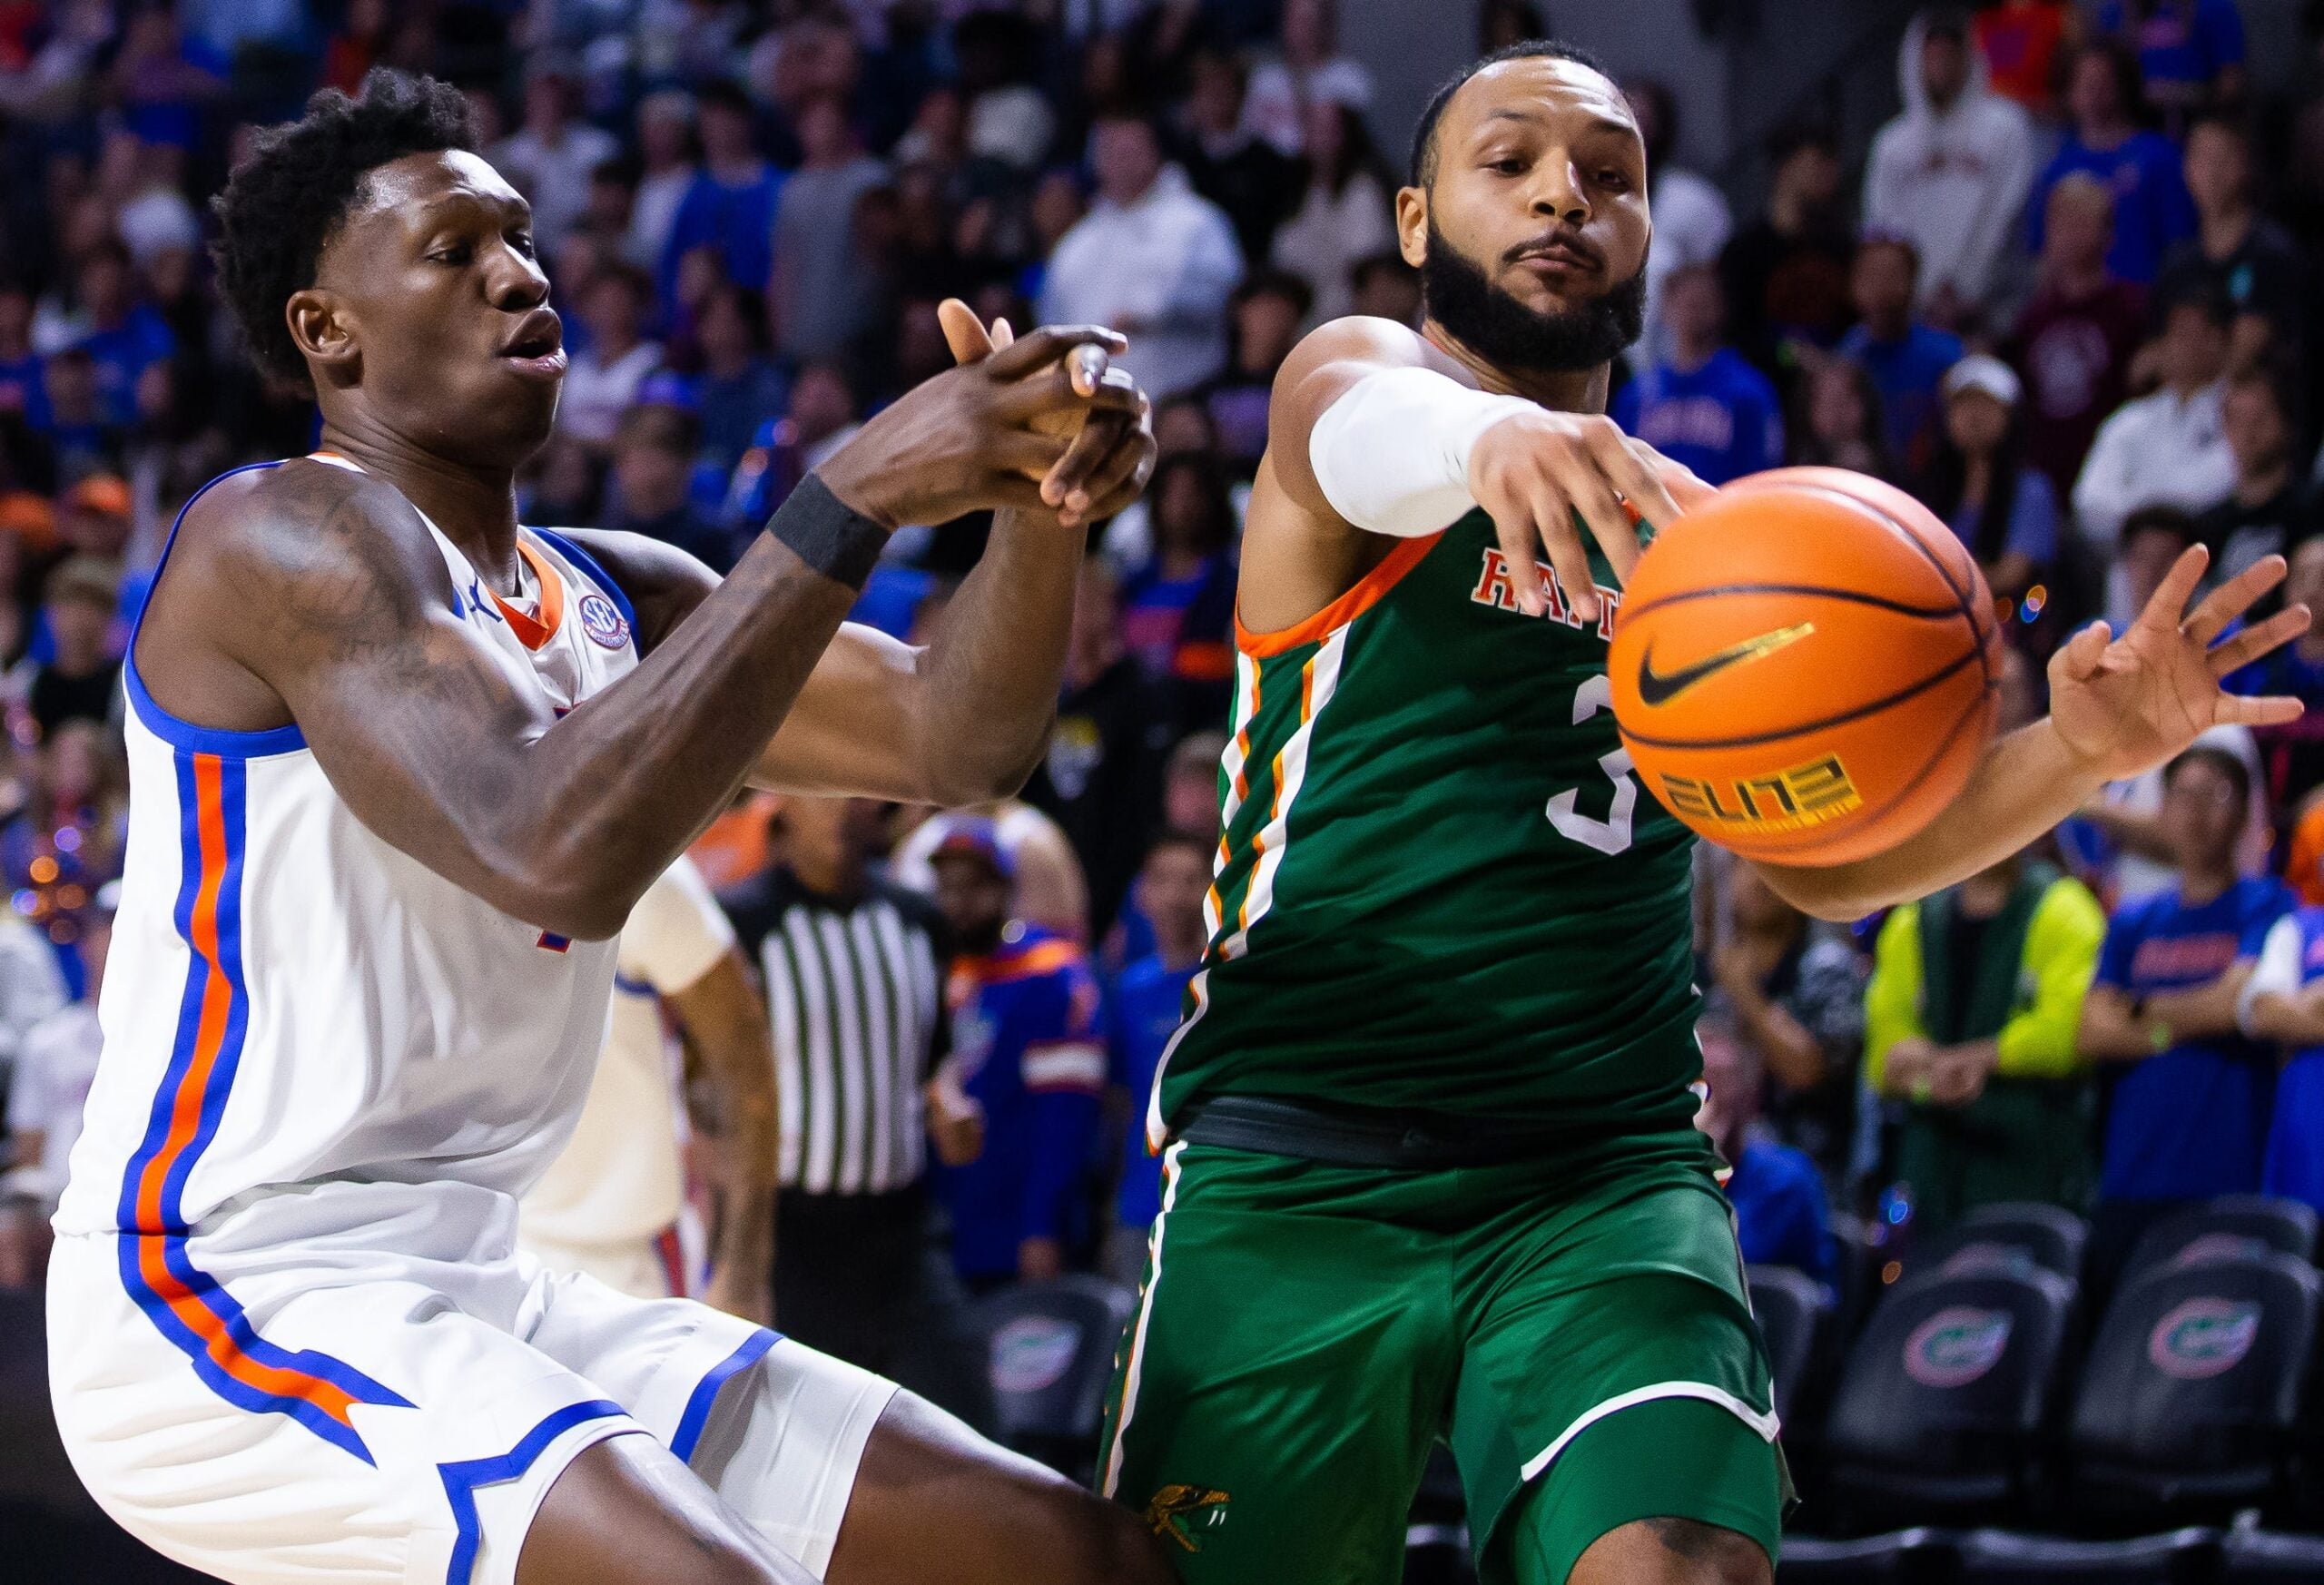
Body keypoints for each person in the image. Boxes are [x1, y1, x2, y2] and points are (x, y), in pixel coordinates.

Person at [1098, 38, 2309, 1585]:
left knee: (1678, 1566)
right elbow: (1353, 419)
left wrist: (2074, 750)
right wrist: (1493, 437)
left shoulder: (1712, 542)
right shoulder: (1360, 398)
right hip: (1295, 1155)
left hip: (1597, 1168)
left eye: (1610, 177)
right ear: (1415, 223)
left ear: (1653, 233)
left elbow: (1833, 868)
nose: (1563, 195)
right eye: (1513, 162)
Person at [44, 69, 1167, 1585]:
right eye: (453, 251)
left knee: (1067, 1552)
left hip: (485, 1274)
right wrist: (844, 499)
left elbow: (954, 741)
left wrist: (1046, 497)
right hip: (224, 1286)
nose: (519, 271)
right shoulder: (281, 534)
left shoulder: (615, 594)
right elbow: (548, 845)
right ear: (329, 332)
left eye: (521, 237)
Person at [723, 795, 990, 1431]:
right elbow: (708, 1078)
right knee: (805, 1443)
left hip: (902, 1230)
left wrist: (946, 1104)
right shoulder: (742, 920)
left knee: (970, 1422)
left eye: (855, 791)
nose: (841, 809)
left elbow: (932, 1058)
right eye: (823, 791)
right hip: (791, 1234)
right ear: (784, 803)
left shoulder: (919, 919)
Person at [1866, 655, 2106, 1233]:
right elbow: (1882, 1052)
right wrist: (1928, 1072)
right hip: (1930, 1181)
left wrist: (1978, 1059)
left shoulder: (2064, 907)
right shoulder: (1913, 919)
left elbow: (2073, 1031)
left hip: (2030, 1179)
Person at [517, 858, 773, 1321]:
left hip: (632, 1257)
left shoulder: (649, 873)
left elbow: (744, 1064)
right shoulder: (445, 857)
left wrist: (743, 1271)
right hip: (500, 1243)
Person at [2077, 746, 2293, 1294]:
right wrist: (2186, 1018)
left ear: (2245, 814)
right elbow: (2091, 1030)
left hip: (2229, 1171)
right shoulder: (2133, 921)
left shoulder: (2267, 905)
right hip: (2132, 1175)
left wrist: (2143, 1010)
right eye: (2182, 795)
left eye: (2216, 796)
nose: (2196, 812)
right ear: (2163, 809)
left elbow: (2240, 1003)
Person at [928, 820, 1106, 1291]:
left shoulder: (1051, 974)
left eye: (972, 888)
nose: (957, 904)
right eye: (946, 889)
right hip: (954, 1229)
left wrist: (1041, 1227)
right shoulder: (951, 973)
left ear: (1005, 887)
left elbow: (1065, 1118)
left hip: (1026, 1238)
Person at [1040, 111, 1246, 400]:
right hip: (1094, 408)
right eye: (1109, 151)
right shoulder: (1077, 242)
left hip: (1181, 403)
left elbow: (1225, 294)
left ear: (1155, 153)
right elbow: (1052, 323)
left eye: (1129, 150)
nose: (1118, 161)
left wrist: (1151, 313)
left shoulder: (1197, 221)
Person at [1022, 559, 1174, 940]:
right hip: (1055, 892)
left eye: (1084, 601)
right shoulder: (1044, 699)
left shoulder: (1140, 694)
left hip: (1118, 896)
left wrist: (1121, 906)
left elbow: (1141, 811)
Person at [1861, 8, 2034, 330]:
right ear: (1915, 60)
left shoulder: (2006, 127)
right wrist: (1915, 292)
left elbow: (2007, 212)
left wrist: (1965, 287)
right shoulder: (1892, 145)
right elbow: (1882, 224)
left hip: (1989, 309)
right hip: (1912, 313)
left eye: (1951, 54)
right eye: (1933, 55)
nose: (1942, 65)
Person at [1704, 862, 1867, 1184]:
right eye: (1745, 864)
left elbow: (1808, 1071)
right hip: (1725, 1175)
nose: (1757, 880)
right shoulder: (1710, 969)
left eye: (1771, 866)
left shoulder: (1827, 965)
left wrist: (1745, 994)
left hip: (1815, 1181)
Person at [1106, 830, 1208, 1285]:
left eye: (1191, 880)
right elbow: (1118, 1099)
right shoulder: (1128, 990)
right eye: (1163, 880)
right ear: (1142, 894)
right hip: (1139, 1204)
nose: (1176, 896)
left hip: (1205, 1199)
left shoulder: (1222, 983)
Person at [2006, 172, 2146, 496]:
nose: (2070, 233)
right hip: (2045, 476)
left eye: (2082, 221)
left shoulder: (2132, 310)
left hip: (2112, 477)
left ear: (2108, 232)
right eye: (2061, 221)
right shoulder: (2032, 318)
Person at [2072, 282, 2236, 554]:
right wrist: (2146, 520)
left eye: (2197, 332)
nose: (2185, 344)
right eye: (2178, 332)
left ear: (2220, 340)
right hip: (2127, 563)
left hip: (2206, 555)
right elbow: (2090, 501)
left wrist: (2139, 503)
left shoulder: (2238, 411)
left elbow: (2221, 486)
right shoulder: (2130, 420)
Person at [2028, 38, 2195, 286]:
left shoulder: (2159, 157)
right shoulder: (2055, 170)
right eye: (2084, 83)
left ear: (2123, 87)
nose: (2092, 94)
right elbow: (2042, 258)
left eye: (2102, 83)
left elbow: (2183, 245)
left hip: (2146, 306)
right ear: (2069, 91)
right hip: (2080, 315)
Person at [2157, 113, 2309, 375]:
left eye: (2224, 159)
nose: (2213, 173)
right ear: (2187, 169)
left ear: (2246, 165)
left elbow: (2248, 354)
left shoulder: (2271, 253)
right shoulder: (2177, 263)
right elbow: (2150, 358)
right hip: (2183, 407)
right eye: (2202, 159)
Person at [1611, 261, 1784, 487]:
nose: (1692, 311)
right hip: (1652, 520)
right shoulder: (1635, 395)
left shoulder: (1749, 391)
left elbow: (1763, 474)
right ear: (1666, 307)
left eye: (1703, 303)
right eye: (1685, 302)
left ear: (1722, 308)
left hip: (1725, 517)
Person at [1694, 1019, 1835, 1286]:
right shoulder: (1646, 1170)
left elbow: (1712, 1268)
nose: (1706, 1104)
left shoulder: (1783, 1181)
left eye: (1720, 1082)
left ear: (1751, 1100)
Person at [1717, 120, 1853, 379]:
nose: (1830, 175)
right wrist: (1791, 354)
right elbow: (1736, 336)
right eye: (1819, 163)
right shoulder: (1744, 253)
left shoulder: (1842, 249)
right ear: (1785, 168)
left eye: (1833, 164)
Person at [1923, 353, 2061, 604]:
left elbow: (2013, 575)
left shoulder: (2032, 490)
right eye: (1963, 404)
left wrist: (1935, 586)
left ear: (2009, 415)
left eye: (1985, 404)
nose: (1973, 415)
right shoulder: (1929, 486)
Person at [1623, 76, 1733, 371]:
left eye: (1643, 118)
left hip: (1678, 356)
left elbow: (1712, 283)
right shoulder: (1588, 199)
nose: (1635, 128)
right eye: (1625, 116)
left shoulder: (1695, 200)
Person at [770, 95, 888, 366]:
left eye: (830, 120)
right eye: (814, 122)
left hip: (861, 335)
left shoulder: (870, 179)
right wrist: (780, 331)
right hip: (802, 339)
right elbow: (784, 264)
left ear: (846, 125)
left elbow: (885, 257)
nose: (823, 128)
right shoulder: (791, 190)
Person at [1837, 234, 1965, 478]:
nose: (1882, 287)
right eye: (1871, 275)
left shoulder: (1946, 355)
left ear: (1913, 282)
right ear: (1853, 285)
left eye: (1893, 275)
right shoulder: (1847, 356)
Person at [1269, 99, 1397, 328]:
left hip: (1353, 321)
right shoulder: (1296, 192)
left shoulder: (1364, 190)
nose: (1319, 137)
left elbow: (1367, 264)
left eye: (1327, 128)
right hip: (1301, 322)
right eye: (1312, 126)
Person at [2194, 357, 2318, 587]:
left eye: (2259, 420)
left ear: (2288, 424)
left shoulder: (2313, 511)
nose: (2247, 434)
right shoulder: (2209, 525)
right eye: (2238, 420)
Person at [2225, 534, 2324, 812]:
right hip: (2252, 822)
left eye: (2323, 579)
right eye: (2303, 577)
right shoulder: (2253, 668)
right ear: (2287, 589)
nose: (2313, 589)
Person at [489, 64, 617, 263]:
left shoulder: (599, 147)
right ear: (527, 98)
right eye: (541, 94)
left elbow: (606, 206)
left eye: (556, 93)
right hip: (528, 250)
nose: (549, 101)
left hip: (585, 247)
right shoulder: (507, 155)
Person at [2093, 0, 2245, 124]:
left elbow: (2231, 79)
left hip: (2198, 116)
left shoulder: (2214, 8)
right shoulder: (2113, 14)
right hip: (2134, 124)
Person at [30, 555, 123, 737]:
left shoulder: (122, 687)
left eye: (94, 607)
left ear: (110, 618)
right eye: (70, 605)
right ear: (50, 615)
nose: (81, 619)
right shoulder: (28, 682)